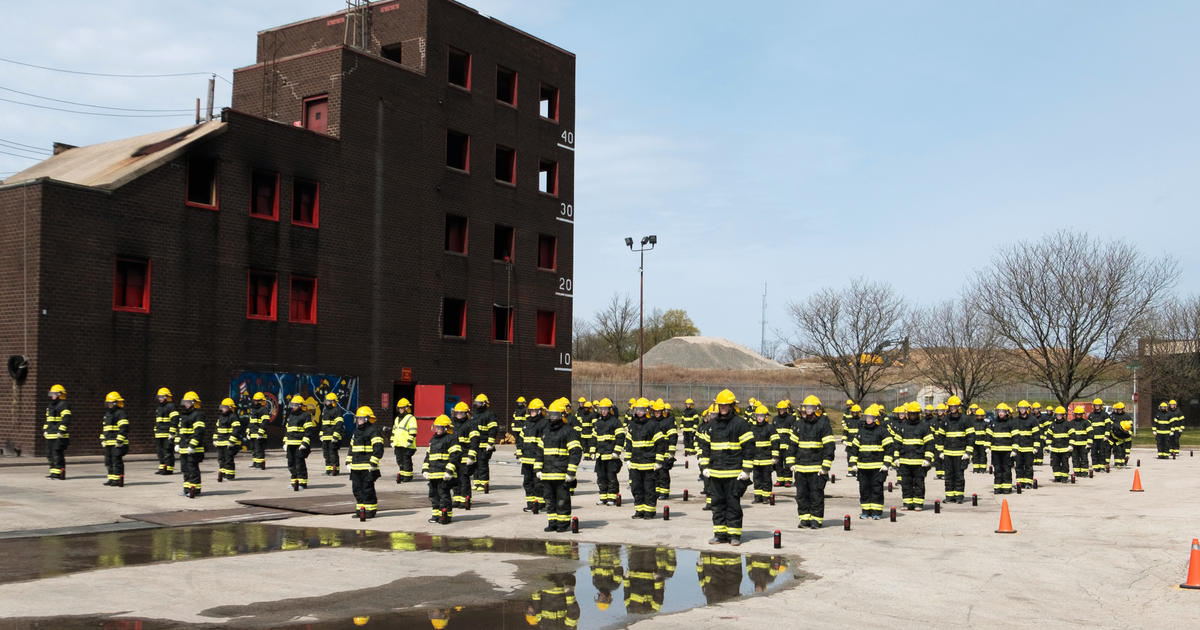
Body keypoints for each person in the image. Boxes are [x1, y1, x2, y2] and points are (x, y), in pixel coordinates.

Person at [699, 389, 754, 544]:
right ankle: (720, 534)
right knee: (717, 505)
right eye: (720, 405)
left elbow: (749, 448)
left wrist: (746, 471)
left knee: (733, 505)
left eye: (725, 405)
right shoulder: (711, 425)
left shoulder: (740, 424)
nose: (723, 408)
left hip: (734, 474)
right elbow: (704, 447)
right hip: (715, 474)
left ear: (731, 406)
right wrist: (705, 467)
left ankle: (734, 535)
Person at [788, 395, 836, 526]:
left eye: (810, 408)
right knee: (801, 496)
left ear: (817, 409)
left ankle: (816, 519)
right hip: (801, 468)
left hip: (816, 469)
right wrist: (791, 463)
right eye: (806, 408)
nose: (807, 410)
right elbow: (792, 445)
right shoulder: (798, 425)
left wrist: (825, 467)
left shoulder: (824, 424)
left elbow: (829, 447)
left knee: (816, 496)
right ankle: (804, 519)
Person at [536, 399, 583, 532]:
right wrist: (538, 469)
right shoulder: (545, 431)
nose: (552, 417)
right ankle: (552, 522)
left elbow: (575, 452)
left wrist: (571, 473)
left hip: (562, 474)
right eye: (551, 414)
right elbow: (540, 451)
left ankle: (563, 524)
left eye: (555, 415)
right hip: (547, 474)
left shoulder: (568, 431)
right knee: (549, 501)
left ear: (562, 416)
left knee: (562, 501)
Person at [625, 397, 666, 519]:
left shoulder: (653, 425)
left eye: (642, 409)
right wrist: (627, 459)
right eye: (637, 409)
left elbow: (660, 444)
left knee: (649, 489)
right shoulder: (632, 424)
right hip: (636, 464)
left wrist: (659, 461)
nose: (639, 412)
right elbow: (629, 443)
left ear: (647, 410)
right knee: (636, 488)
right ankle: (639, 511)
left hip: (649, 465)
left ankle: (649, 511)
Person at [850, 404, 892, 518]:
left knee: (876, 489)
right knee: (864, 489)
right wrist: (853, 464)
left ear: (876, 419)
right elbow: (854, 449)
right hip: (863, 468)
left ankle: (876, 512)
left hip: (877, 468)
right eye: (867, 417)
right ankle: (865, 511)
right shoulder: (861, 431)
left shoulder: (882, 431)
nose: (868, 420)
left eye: (870, 417)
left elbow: (889, 449)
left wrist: (886, 464)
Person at [422, 414, 462, 523]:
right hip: (433, 474)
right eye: (436, 427)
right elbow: (428, 457)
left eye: (440, 427)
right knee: (433, 496)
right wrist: (425, 470)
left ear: (446, 428)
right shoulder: (433, 440)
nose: (437, 430)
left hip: (444, 475)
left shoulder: (452, 439)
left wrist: (449, 472)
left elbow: (455, 457)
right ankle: (436, 515)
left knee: (444, 496)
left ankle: (446, 516)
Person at [894, 401, 934, 508]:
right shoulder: (902, 426)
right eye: (910, 413)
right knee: (906, 483)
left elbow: (930, 444)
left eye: (914, 413)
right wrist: (896, 458)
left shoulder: (924, 426)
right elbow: (897, 444)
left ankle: (918, 503)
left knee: (919, 483)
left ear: (918, 414)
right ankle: (907, 503)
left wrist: (928, 459)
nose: (912, 415)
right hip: (905, 461)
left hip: (919, 461)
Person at [346, 406, 384, 519]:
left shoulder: (373, 431)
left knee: (367, 489)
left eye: (360, 418)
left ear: (367, 419)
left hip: (368, 467)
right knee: (356, 489)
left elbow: (378, 448)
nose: (358, 421)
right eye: (357, 418)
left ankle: (370, 511)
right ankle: (360, 510)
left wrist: (373, 463)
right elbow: (351, 447)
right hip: (356, 466)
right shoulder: (356, 432)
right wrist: (348, 461)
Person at [940, 396, 974, 503]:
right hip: (948, 453)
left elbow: (971, 437)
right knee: (948, 475)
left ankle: (959, 496)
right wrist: (940, 451)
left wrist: (968, 453)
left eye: (954, 406)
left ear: (959, 406)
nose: (952, 408)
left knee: (959, 476)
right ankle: (949, 496)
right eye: (951, 406)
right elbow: (940, 437)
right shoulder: (945, 420)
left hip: (960, 454)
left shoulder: (966, 419)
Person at [592, 398, 625, 506]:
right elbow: (593, 439)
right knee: (601, 478)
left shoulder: (615, 422)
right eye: (602, 409)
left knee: (611, 478)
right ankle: (603, 498)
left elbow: (620, 438)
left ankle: (612, 498)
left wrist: (616, 452)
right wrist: (592, 451)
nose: (603, 411)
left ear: (610, 409)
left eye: (605, 409)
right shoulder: (598, 423)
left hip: (611, 456)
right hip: (600, 456)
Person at [449, 401, 481, 507]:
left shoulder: (471, 425)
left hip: (465, 456)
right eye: (457, 413)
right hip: (454, 457)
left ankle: (465, 500)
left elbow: (475, 441)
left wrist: (471, 456)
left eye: (461, 413)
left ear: (466, 414)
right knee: (455, 479)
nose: (459, 415)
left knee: (464, 479)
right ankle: (457, 499)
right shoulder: (452, 425)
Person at [519, 398, 549, 512]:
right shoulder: (527, 423)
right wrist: (520, 453)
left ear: (541, 411)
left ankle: (540, 504)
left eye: (534, 411)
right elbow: (521, 439)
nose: (532, 413)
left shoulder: (544, 424)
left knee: (538, 483)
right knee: (527, 482)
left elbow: (545, 442)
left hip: (537, 459)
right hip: (526, 459)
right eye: (530, 410)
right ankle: (530, 504)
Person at [176, 391, 206, 498]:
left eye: (188, 402)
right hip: (184, 448)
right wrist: (177, 443)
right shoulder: (184, 415)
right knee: (185, 470)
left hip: (194, 449)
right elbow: (180, 431)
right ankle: (186, 489)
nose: (186, 404)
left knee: (193, 469)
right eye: (185, 402)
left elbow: (198, 432)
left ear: (194, 403)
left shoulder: (198, 415)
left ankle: (195, 490)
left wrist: (192, 445)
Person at [284, 394, 317, 490]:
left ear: (300, 405)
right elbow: (287, 430)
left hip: (299, 445)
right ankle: (294, 482)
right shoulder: (290, 416)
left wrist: (304, 444)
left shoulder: (306, 415)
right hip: (290, 444)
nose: (293, 406)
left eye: (295, 405)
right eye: (292, 404)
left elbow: (308, 431)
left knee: (299, 464)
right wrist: (285, 442)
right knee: (291, 463)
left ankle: (302, 483)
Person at [748, 405, 778, 504]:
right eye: (758, 416)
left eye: (762, 416)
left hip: (767, 459)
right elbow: (749, 444)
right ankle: (758, 497)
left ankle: (766, 497)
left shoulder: (770, 428)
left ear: (766, 417)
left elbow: (775, 443)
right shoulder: (752, 428)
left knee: (766, 479)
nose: (760, 418)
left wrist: (775, 456)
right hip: (756, 459)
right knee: (756, 479)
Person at [100, 391, 129, 487]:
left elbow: (124, 428)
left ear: (116, 403)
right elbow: (104, 429)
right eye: (107, 403)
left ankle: (118, 480)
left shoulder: (121, 413)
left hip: (117, 443)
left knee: (116, 461)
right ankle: (111, 479)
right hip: (108, 442)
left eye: (110, 403)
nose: (109, 405)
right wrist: (102, 439)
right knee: (108, 461)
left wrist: (119, 441)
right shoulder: (107, 414)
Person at [43, 384, 71, 480]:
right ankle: (53, 472)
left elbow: (66, 419)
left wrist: (61, 431)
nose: (52, 396)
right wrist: (45, 430)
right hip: (50, 434)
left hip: (59, 435)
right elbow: (47, 420)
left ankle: (59, 473)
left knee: (57, 454)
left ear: (60, 394)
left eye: (54, 394)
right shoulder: (50, 406)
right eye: (51, 394)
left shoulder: (64, 405)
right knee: (50, 454)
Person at [987, 403, 1016, 493]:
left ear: (1007, 412)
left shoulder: (1011, 423)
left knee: (1006, 469)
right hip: (996, 451)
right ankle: (998, 487)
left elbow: (1016, 437)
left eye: (1003, 411)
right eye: (999, 411)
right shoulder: (993, 423)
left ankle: (1007, 487)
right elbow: (988, 435)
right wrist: (987, 446)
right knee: (997, 470)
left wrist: (1014, 449)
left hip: (1007, 451)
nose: (1001, 413)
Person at [471, 394, 497, 492]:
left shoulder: (489, 415)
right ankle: (477, 482)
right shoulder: (474, 415)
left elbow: (493, 429)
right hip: (475, 444)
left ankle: (484, 483)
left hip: (485, 445)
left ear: (485, 404)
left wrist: (490, 443)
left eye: (479, 403)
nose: (477, 405)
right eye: (476, 402)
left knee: (482, 464)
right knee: (474, 464)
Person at [213, 398, 243, 481]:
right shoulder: (220, 417)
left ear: (230, 408)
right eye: (222, 407)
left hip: (229, 443)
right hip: (220, 442)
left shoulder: (233, 417)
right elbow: (217, 429)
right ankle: (222, 474)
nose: (223, 409)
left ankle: (230, 475)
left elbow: (236, 429)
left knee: (228, 459)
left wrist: (232, 441)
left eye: (225, 407)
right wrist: (215, 439)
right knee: (221, 459)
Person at [590, 544, 624, 613]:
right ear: (608, 598)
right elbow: (618, 570)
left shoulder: (596, 584)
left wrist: (592, 558)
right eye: (602, 599)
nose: (600, 597)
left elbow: (592, 570)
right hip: (611, 551)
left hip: (599, 551)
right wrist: (615, 557)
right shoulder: (614, 586)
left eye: (599, 599)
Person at [391, 398, 417, 483]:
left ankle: (408, 476)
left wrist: (409, 441)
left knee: (406, 460)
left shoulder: (411, 418)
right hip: (398, 444)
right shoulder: (397, 418)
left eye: (402, 408)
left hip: (407, 444)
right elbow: (394, 430)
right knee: (400, 461)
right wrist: (392, 440)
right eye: (399, 408)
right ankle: (402, 475)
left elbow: (413, 431)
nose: (400, 410)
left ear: (406, 408)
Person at [153, 387, 178, 475]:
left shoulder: (171, 406)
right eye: (159, 397)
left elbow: (175, 420)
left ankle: (169, 469)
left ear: (167, 397)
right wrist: (156, 430)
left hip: (167, 433)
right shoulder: (159, 407)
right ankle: (162, 467)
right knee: (160, 452)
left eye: (161, 397)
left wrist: (172, 433)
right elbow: (157, 421)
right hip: (159, 433)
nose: (160, 398)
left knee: (168, 451)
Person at [1013, 400, 1037, 489]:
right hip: (1018, 448)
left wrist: (1036, 447)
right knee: (1018, 466)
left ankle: (1028, 482)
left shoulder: (1033, 420)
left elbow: (1036, 435)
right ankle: (1019, 482)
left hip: (1029, 448)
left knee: (1028, 466)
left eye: (1024, 408)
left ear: (1027, 409)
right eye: (1020, 408)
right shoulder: (1015, 420)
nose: (1022, 410)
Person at [772, 400, 796, 488]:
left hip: (787, 445)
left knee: (787, 463)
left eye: (783, 409)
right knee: (778, 464)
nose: (781, 411)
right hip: (778, 445)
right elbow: (773, 432)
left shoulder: (791, 418)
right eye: (780, 409)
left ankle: (788, 480)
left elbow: (793, 432)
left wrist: (789, 444)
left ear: (786, 409)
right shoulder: (775, 419)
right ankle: (780, 480)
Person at [319, 392, 344, 476]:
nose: (326, 402)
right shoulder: (325, 411)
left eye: (328, 401)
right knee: (326, 454)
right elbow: (323, 424)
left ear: (333, 402)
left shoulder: (337, 410)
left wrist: (335, 436)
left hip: (333, 437)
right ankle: (328, 470)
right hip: (325, 436)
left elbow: (339, 424)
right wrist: (321, 434)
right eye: (326, 401)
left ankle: (335, 470)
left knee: (333, 453)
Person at [1046, 406, 1072, 482]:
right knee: (1055, 464)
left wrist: (1071, 445)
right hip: (1055, 449)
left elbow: (1072, 435)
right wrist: (1049, 445)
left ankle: (1064, 477)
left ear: (1064, 415)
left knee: (1065, 464)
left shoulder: (1068, 424)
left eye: (1060, 414)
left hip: (1065, 449)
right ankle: (1057, 477)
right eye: (1057, 414)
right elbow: (1049, 435)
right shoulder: (1053, 425)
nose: (1059, 416)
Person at [1088, 399, 1112, 473]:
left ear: (1101, 406)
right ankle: (1095, 467)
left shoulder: (1105, 415)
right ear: (1094, 406)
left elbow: (1108, 425)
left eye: (1098, 405)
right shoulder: (1091, 415)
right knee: (1094, 453)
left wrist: (1107, 435)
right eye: (1096, 405)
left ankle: (1102, 466)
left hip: (1102, 438)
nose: (1097, 406)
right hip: (1094, 438)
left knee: (1102, 452)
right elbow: (1088, 427)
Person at [247, 392, 270, 469]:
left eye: (257, 401)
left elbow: (265, 422)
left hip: (260, 434)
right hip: (253, 433)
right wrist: (248, 431)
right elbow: (250, 422)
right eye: (254, 400)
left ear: (261, 401)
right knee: (253, 449)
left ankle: (260, 464)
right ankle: (255, 463)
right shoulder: (253, 410)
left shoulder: (264, 409)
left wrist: (260, 432)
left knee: (259, 449)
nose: (255, 402)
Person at [1068, 405, 1092, 477]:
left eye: (1080, 414)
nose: (1078, 415)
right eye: (1077, 414)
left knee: (1084, 458)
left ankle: (1084, 472)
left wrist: (1089, 443)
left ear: (1082, 414)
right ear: (1075, 414)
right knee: (1075, 459)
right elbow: (1068, 434)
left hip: (1084, 445)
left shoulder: (1086, 423)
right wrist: (1069, 444)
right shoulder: (1071, 423)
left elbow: (1090, 433)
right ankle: (1077, 472)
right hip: (1074, 445)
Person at [1109, 402, 1133, 467]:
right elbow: (1110, 424)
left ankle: (1122, 462)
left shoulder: (1126, 416)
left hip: (1124, 436)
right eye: (1118, 409)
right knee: (1116, 450)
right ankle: (1117, 463)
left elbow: (1131, 425)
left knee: (1123, 450)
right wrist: (1118, 427)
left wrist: (1129, 432)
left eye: (1121, 409)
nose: (1119, 411)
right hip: (1115, 436)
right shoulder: (1112, 416)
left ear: (1123, 409)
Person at [842, 404, 861, 477]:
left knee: (858, 458)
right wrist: (843, 439)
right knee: (849, 458)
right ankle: (851, 471)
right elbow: (845, 431)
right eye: (854, 412)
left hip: (858, 444)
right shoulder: (848, 421)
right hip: (849, 443)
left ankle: (858, 471)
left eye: (856, 412)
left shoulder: (861, 421)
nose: (855, 414)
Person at [970, 405, 989, 473]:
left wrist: (987, 446)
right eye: (978, 415)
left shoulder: (986, 424)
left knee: (983, 456)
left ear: (983, 416)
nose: (979, 417)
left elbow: (987, 435)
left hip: (983, 443)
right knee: (975, 456)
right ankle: (976, 468)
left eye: (981, 416)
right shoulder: (973, 423)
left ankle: (982, 469)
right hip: (975, 443)